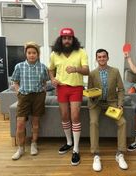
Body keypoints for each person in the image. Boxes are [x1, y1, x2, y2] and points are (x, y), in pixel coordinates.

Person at [48, 28, 89, 166]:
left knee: (75, 116)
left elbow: (87, 71)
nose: (67, 41)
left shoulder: (81, 52)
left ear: (73, 39)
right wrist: (52, 78)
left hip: (76, 88)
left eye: (69, 38)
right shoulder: (54, 53)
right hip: (61, 88)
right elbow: (50, 69)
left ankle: (76, 149)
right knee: (65, 116)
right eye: (64, 38)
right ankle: (69, 142)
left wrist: (76, 69)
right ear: (61, 39)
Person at [88, 49, 128, 171]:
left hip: (111, 104)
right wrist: (92, 95)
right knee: (93, 122)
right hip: (96, 104)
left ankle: (120, 153)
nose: (101, 59)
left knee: (122, 122)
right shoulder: (92, 73)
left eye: (103, 57)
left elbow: (121, 90)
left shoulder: (115, 71)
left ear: (107, 58)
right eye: (99, 57)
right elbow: (89, 90)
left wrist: (120, 104)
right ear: (96, 59)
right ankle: (96, 154)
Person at [11, 42, 49, 160]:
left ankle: (34, 144)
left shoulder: (42, 67)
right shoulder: (19, 66)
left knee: (35, 123)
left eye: (34, 53)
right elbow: (15, 81)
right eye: (29, 53)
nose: (31, 55)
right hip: (24, 97)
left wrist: (43, 91)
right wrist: (18, 92)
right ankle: (21, 148)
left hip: (38, 96)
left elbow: (44, 82)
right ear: (26, 54)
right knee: (20, 123)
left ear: (38, 54)